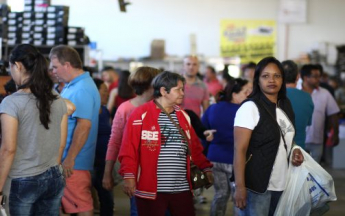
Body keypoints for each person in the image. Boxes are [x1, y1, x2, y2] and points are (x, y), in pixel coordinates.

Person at [118, 71, 214, 216]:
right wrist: (129, 177)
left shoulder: (183, 116)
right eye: (178, 89)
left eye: (183, 89)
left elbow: (194, 147)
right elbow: (128, 149)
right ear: (163, 91)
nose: (182, 93)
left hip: (182, 189)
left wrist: (205, 168)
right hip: (151, 190)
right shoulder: (140, 115)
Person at [0, 44, 68, 215]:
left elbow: (8, 149)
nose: (10, 73)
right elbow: (61, 142)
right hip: (54, 176)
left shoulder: (11, 102)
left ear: (18, 66)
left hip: (22, 180)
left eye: (11, 68)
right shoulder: (58, 100)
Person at [233, 57, 304, 216]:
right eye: (265, 76)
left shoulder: (285, 104)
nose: (272, 80)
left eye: (277, 76)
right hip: (256, 186)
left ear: (283, 79)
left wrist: (295, 151)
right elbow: (239, 150)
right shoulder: (250, 108)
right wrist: (239, 187)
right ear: (257, 80)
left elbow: (286, 139)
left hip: (282, 183)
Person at [50, 45, 101, 215]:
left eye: (55, 66)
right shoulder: (72, 85)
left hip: (74, 163)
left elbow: (84, 125)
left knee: (81, 205)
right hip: (67, 159)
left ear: (67, 65)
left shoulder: (82, 88)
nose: (53, 71)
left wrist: (70, 159)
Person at [103, 66, 160, 216]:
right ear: (151, 84)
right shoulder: (126, 108)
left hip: (163, 174)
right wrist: (108, 172)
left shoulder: (163, 108)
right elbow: (115, 141)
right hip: (137, 175)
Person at [202, 78, 252, 216]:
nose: (249, 95)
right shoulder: (244, 111)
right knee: (238, 197)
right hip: (235, 160)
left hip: (214, 159)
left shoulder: (213, 108)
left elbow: (202, 133)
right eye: (246, 92)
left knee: (220, 194)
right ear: (235, 95)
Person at [300, 64, 339, 163]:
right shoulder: (296, 92)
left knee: (315, 172)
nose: (319, 79)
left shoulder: (325, 93)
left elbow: (333, 114)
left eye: (319, 76)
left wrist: (335, 134)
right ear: (305, 77)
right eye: (315, 76)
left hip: (317, 140)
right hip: (298, 140)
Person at [92, 78, 113, 216]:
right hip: (90, 162)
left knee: (106, 199)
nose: (107, 94)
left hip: (104, 163)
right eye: (104, 90)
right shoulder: (89, 112)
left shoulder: (105, 111)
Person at [282, 60, 314, 150]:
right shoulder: (307, 97)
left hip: (276, 152)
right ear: (298, 77)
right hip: (299, 150)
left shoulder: (273, 97)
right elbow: (308, 123)